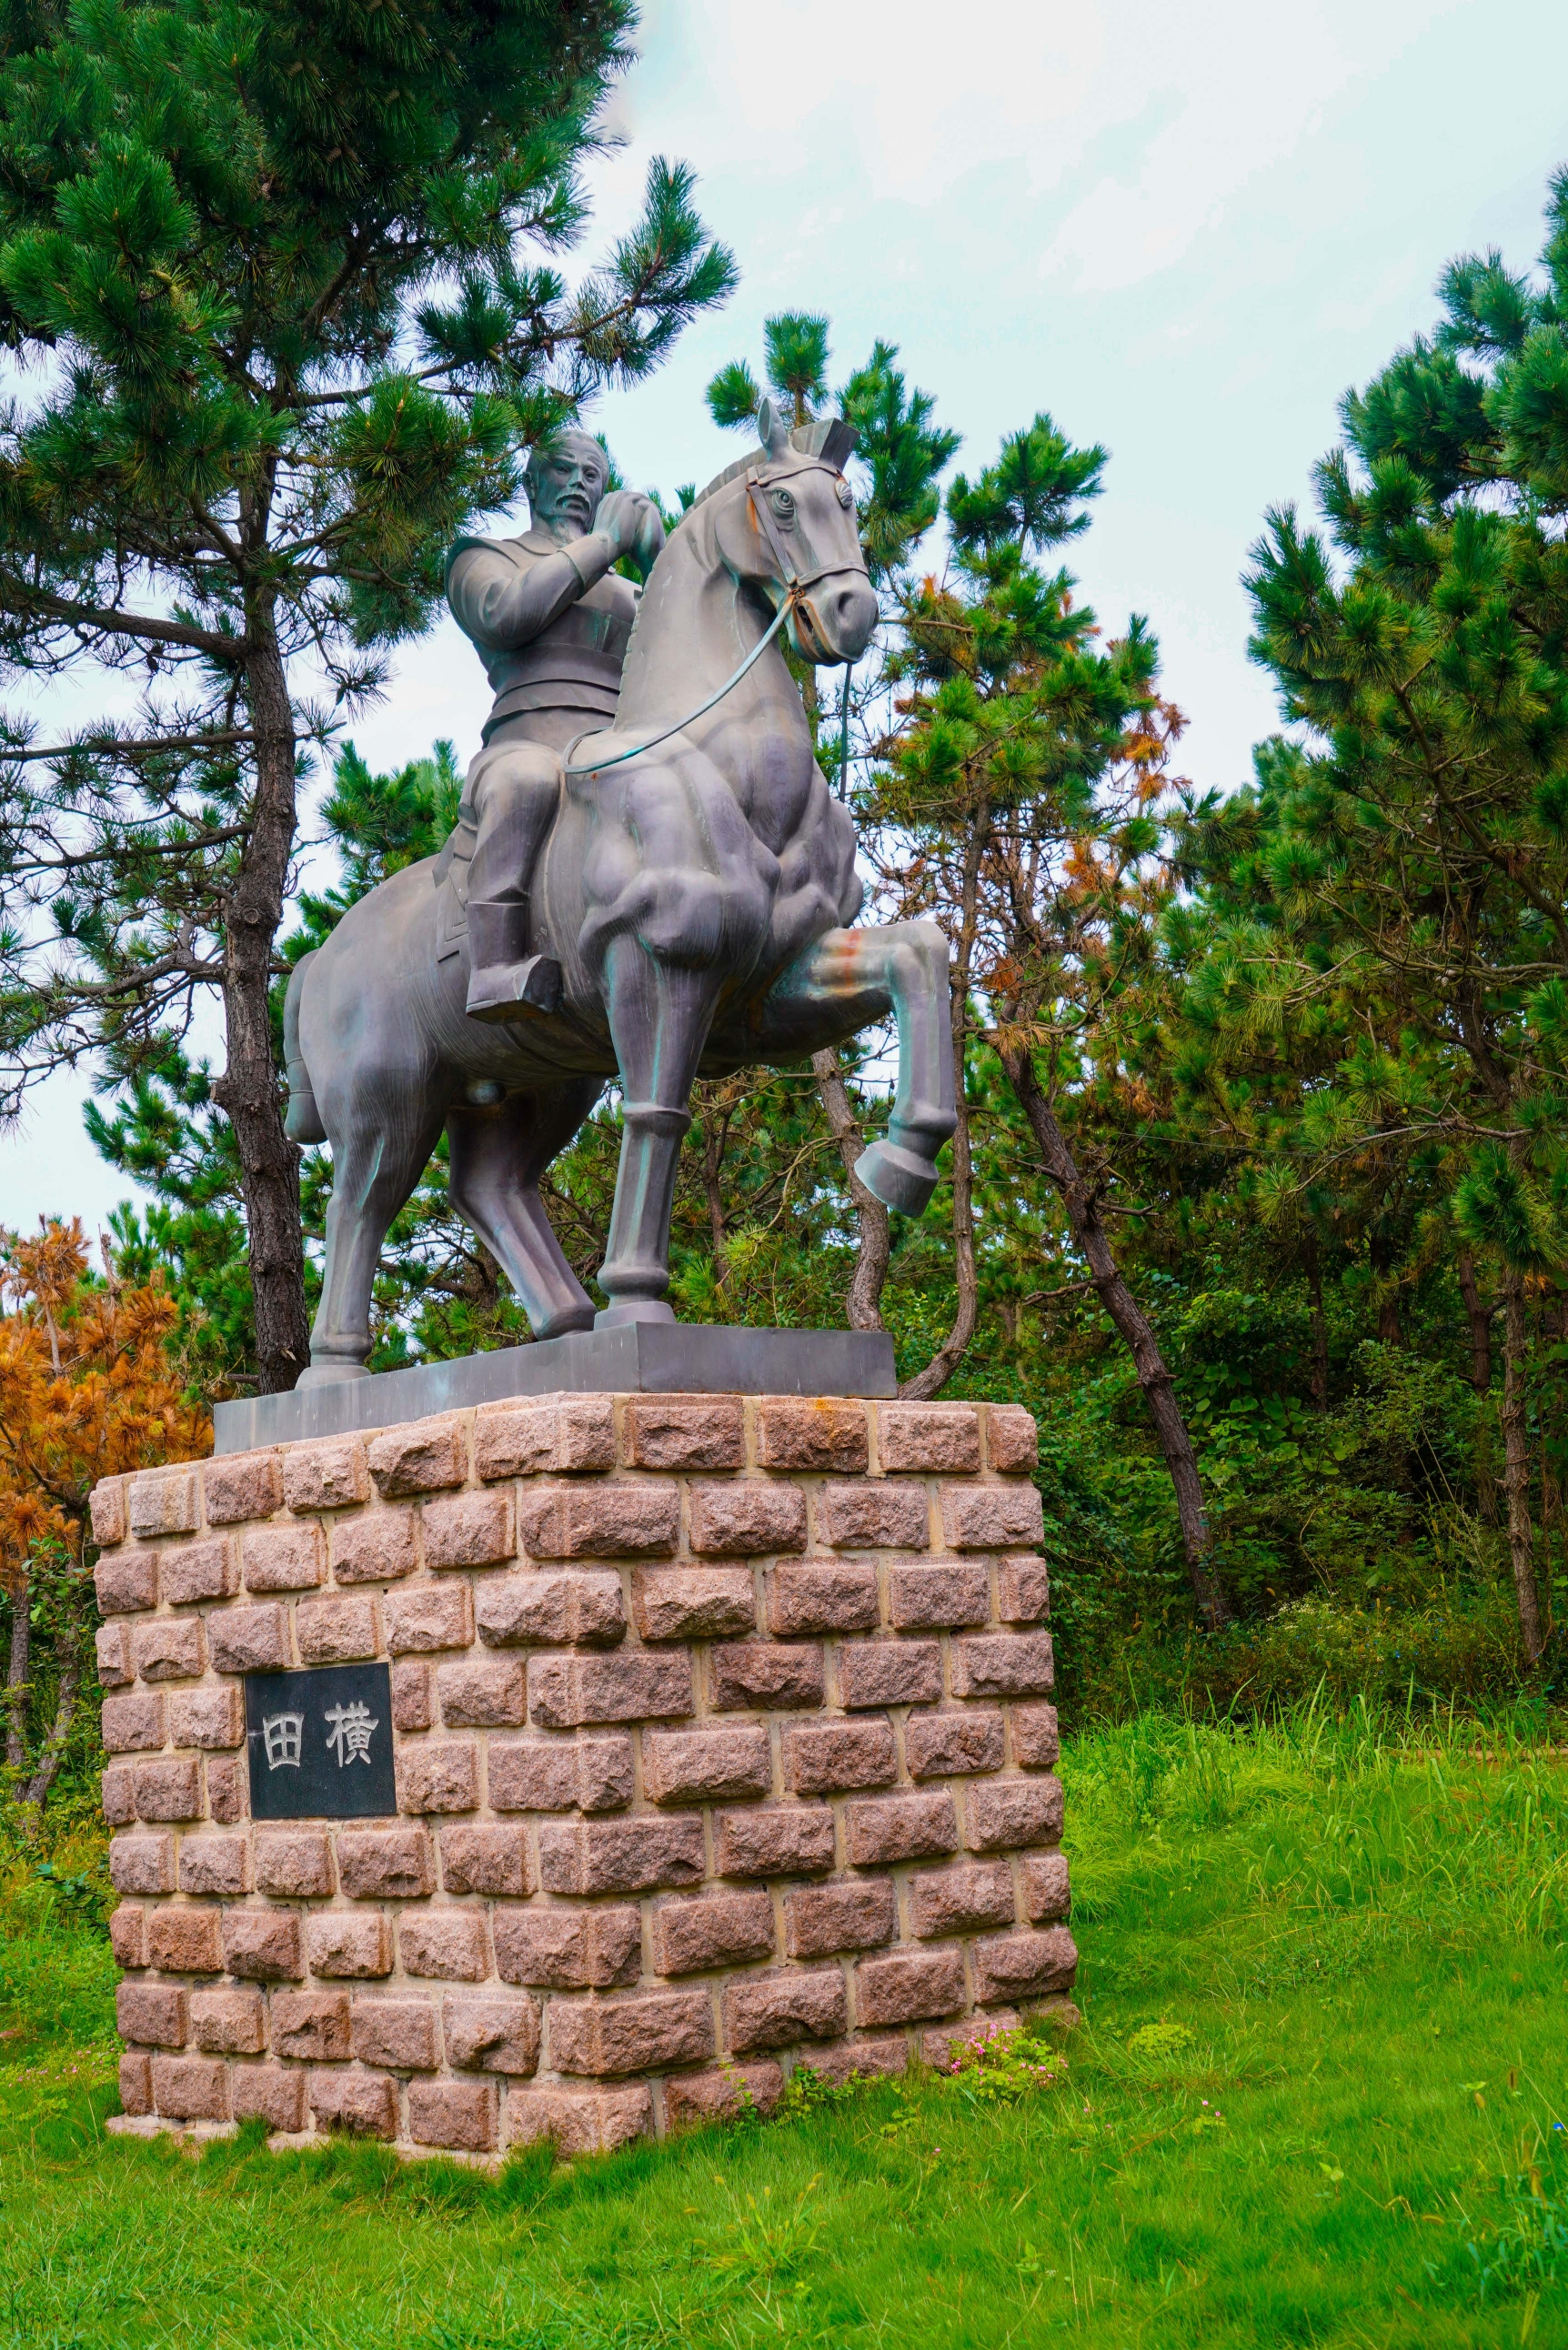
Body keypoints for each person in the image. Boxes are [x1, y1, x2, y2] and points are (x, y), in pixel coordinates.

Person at [445, 430, 663, 1019]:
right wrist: (605, 544)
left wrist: (660, 566)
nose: (575, 484)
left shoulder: (629, 590)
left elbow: (680, 656)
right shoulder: (484, 557)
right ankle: (493, 962)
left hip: (619, 746)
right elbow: (505, 614)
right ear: (530, 483)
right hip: (527, 740)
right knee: (531, 780)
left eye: (591, 476)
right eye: (561, 470)